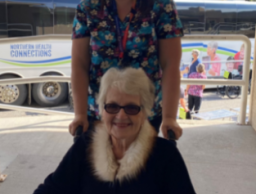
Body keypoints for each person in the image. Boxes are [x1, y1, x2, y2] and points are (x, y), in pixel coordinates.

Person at [33, 68, 196, 194]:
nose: (121, 115)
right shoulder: (86, 146)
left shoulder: (165, 155)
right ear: (102, 111)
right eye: (112, 106)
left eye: (131, 108)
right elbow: (52, 189)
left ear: (145, 112)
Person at [69, 0, 184, 140]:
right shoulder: (88, 6)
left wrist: (169, 117)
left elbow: (170, 65)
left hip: (144, 112)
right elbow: (79, 65)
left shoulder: (161, 5)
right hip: (99, 112)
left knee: (143, 161)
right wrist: (80, 115)